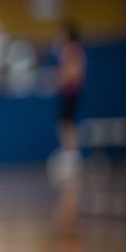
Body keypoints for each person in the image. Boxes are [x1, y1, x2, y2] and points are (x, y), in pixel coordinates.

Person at [51, 22, 85, 177]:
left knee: (67, 124)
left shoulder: (71, 49)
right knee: (64, 123)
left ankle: (72, 157)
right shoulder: (69, 49)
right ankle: (70, 155)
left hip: (71, 92)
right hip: (68, 92)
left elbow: (73, 73)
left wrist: (58, 77)